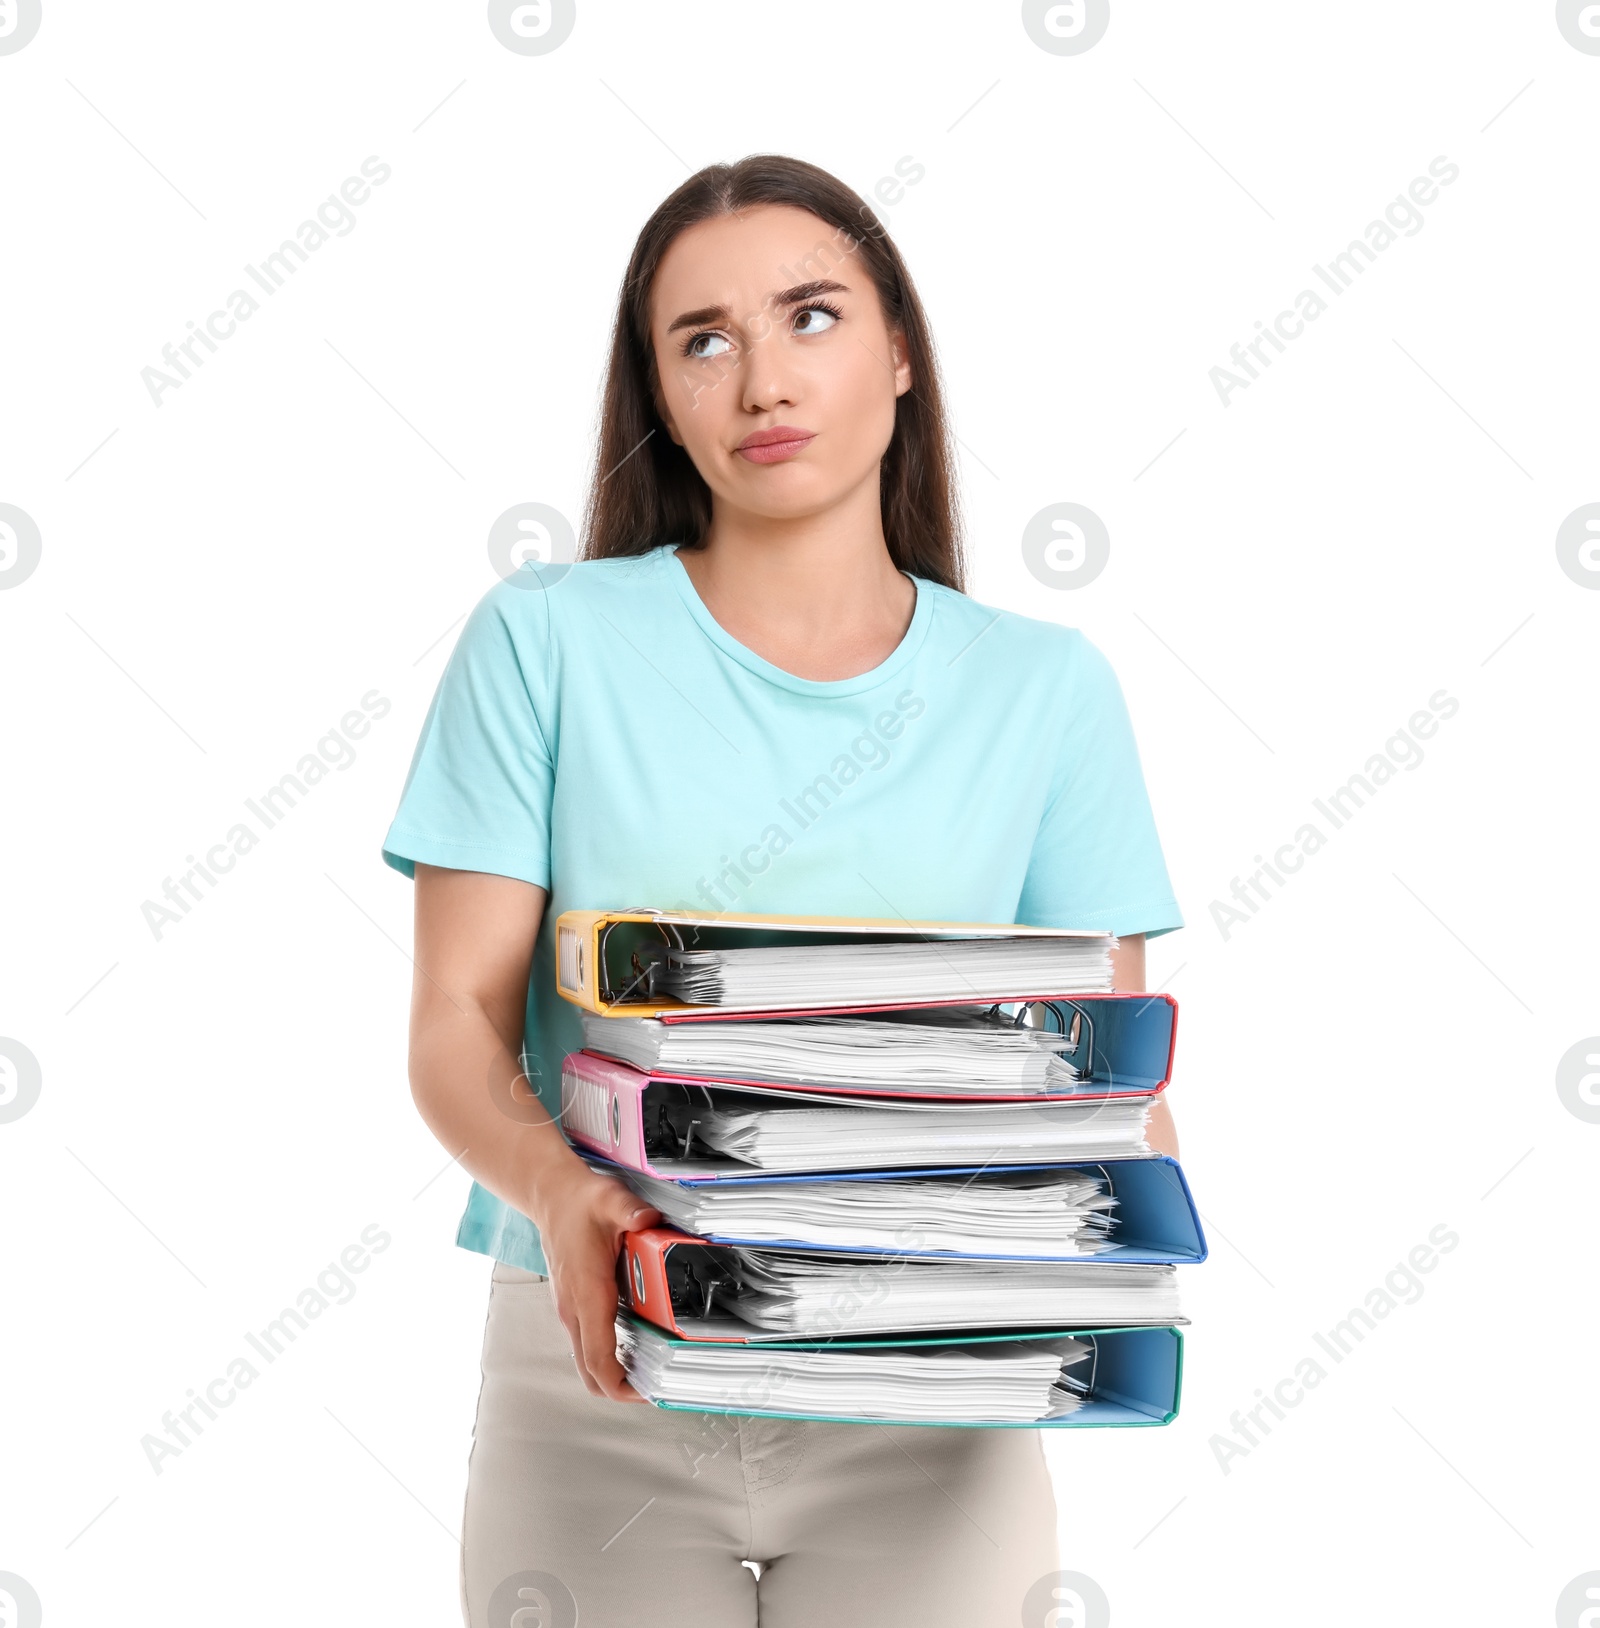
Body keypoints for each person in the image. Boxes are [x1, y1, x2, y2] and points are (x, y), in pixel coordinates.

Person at [382, 153, 1184, 1628]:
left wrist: (1100, 1243)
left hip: (935, 1393)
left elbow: (1101, 1078)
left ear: (897, 354)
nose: (761, 379)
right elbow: (450, 1022)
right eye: (704, 339)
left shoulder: (1047, 694)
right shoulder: (544, 643)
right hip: (597, 1363)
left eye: (809, 316)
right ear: (664, 396)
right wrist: (567, 1199)